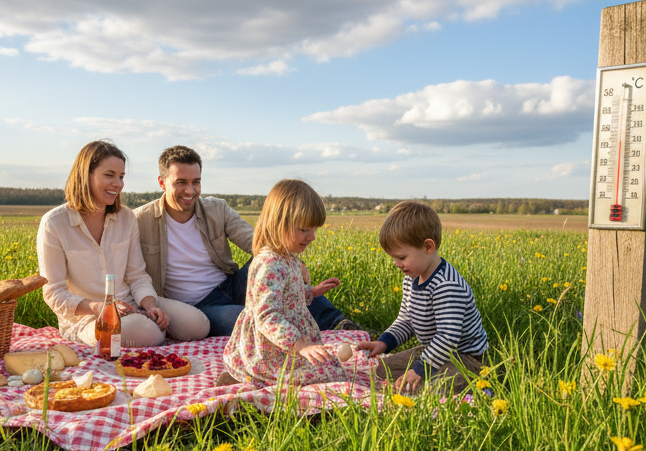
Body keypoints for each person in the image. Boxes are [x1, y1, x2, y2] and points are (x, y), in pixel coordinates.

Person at [133, 145, 356, 337]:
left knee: (276, 261)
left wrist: (292, 263)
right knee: (249, 321)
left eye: (196, 182)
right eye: (181, 182)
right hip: (195, 307)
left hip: (231, 285)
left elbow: (256, 242)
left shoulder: (217, 208)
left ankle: (339, 324)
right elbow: (129, 269)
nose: (190, 191)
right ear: (162, 182)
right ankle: (292, 336)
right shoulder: (140, 219)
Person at [36, 140, 209, 348]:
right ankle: (149, 330)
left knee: (198, 326)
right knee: (146, 332)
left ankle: (150, 325)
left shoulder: (126, 218)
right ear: (86, 175)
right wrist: (101, 307)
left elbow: (137, 275)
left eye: (121, 176)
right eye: (109, 175)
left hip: (132, 304)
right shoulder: (54, 223)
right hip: (87, 317)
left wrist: (150, 305)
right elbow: (54, 293)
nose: (118, 184)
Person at [217, 179, 356, 387]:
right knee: (329, 373)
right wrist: (299, 345)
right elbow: (267, 316)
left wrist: (312, 291)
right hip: (271, 348)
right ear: (279, 223)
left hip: (284, 345)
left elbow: (286, 296)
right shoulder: (269, 263)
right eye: (304, 230)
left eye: (314, 229)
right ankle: (251, 376)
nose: (312, 237)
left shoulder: (285, 257)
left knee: (329, 367)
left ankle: (249, 376)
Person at [355, 201, 489, 392]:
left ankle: (478, 387)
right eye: (393, 258)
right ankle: (404, 382)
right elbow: (406, 320)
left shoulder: (447, 285)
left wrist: (420, 370)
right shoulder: (412, 278)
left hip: (464, 359)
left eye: (401, 257)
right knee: (378, 371)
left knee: (419, 388)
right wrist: (384, 342)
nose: (396, 263)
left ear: (427, 247)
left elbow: (447, 337)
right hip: (431, 350)